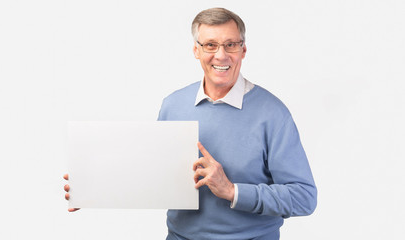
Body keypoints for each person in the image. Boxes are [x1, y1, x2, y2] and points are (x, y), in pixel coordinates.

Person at [65, 7, 317, 240]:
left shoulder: (273, 114)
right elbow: (154, 175)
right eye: (210, 45)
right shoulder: (173, 105)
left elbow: (305, 198)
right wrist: (95, 188)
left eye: (231, 44)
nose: (221, 55)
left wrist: (232, 190)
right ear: (196, 51)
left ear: (243, 50)